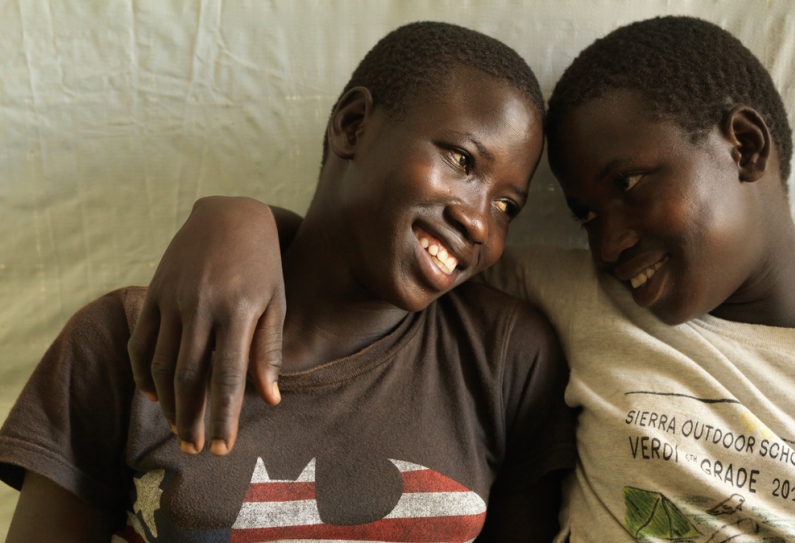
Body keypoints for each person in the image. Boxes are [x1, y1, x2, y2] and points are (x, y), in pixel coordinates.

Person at [110, 16, 795, 543]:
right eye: (587, 216)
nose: (610, 242)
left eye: (628, 186)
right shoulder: (579, 303)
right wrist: (236, 218)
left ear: (743, 146)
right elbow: (384, 249)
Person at [0, 22, 576, 543]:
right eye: (460, 160)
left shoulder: (506, 359)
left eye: (507, 205)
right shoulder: (127, 336)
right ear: (353, 126)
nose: (479, 221)